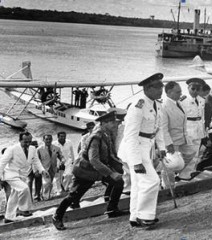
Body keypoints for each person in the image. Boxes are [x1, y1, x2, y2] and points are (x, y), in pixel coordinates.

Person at [52, 111, 125, 230]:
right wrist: (111, 173)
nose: (115, 124)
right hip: (85, 171)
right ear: (104, 123)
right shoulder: (96, 137)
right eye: (112, 122)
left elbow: (110, 155)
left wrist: (121, 166)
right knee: (74, 196)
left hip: (97, 170)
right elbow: (94, 160)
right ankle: (57, 216)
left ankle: (112, 209)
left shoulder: (106, 134)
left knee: (118, 182)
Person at [122, 73, 166, 228]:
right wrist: (136, 162)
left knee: (138, 184)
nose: (161, 90)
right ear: (147, 88)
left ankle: (134, 217)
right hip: (135, 148)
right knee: (152, 181)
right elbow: (130, 137)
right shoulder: (137, 106)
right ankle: (145, 216)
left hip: (147, 146)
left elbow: (158, 129)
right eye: (158, 87)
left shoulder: (157, 104)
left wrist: (161, 148)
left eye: (162, 86)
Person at [0, 132, 48, 223]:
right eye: (25, 142)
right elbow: (2, 163)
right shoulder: (11, 149)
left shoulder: (33, 148)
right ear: (20, 140)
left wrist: (42, 170)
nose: (27, 144)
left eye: (29, 141)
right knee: (24, 188)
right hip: (11, 174)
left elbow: (36, 161)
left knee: (14, 196)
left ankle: (8, 217)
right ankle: (23, 209)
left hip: (22, 175)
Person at [161, 81, 189, 189]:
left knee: (188, 156)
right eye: (178, 92)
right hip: (172, 140)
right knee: (170, 164)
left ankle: (177, 178)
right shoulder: (164, 106)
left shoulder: (178, 102)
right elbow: (163, 128)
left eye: (180, 91)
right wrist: (168, 143)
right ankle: (168, 186)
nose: (180, 94)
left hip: (182, 137)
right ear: (169, 92)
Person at [178, 78, 207, 180]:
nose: (195, 91)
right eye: (193, 89)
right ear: (188, 88)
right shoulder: (182, 100)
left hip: (198, 127)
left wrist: (204, 130)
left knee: (196, 152)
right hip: (188, 127)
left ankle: (189, 172)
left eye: (197, 89)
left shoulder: (201, 100)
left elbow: (202, 116)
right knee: (188, 152)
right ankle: (183, 173)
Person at [37, 135, 64, 200]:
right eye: (46, 139)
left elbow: (61, 156)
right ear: (43, 140)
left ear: (52, 139)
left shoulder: (56, 148)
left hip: (54, 168)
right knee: (46, 182)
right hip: (44, 168)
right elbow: (36, 160)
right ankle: (45, 197)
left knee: (51, 182)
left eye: (50, 139)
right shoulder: (39, 149)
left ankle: (47, 194)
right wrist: (38, 170)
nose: (48, 141)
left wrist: (62, 162)